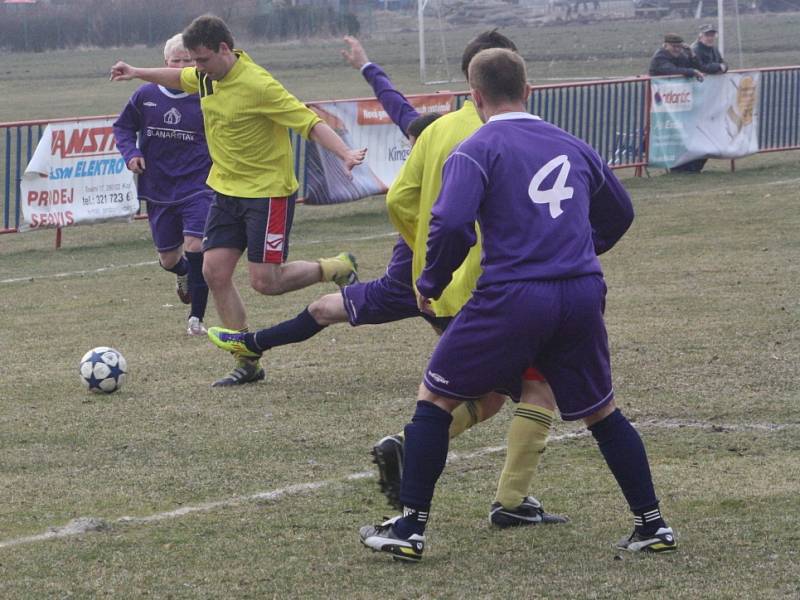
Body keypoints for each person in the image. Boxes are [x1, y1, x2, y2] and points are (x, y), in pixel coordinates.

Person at [208, 34, 566, 529]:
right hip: (487, 284)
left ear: (471, 83)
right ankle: (497, 497)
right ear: (519, 82)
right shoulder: (512, 136)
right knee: (525, 388)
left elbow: (398, 156)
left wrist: (423, 254)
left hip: (420, 277)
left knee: (344, 316)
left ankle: (255, 343)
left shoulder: (435, 128)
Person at [360, 48, 676, 562]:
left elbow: (453, 222)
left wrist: (432, 279)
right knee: (603, 412)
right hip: (579, 291)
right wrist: (577, 250)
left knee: (434, 400)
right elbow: (620, 212)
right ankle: (652, 525)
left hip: (513, 294)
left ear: (475, 96)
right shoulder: (572, 143)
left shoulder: (477, 147)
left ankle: (410, 527)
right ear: (528, 90)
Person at [110, 15, 366, 386]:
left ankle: (335, 267)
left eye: (201, 59)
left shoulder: (259, 85)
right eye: (193, 61)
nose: (195, 68)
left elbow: (308, 122)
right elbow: (177, 78)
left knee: (266, 282)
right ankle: (247, 360)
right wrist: (135, 72)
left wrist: (343, 153)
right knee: (214, 272)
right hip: (226, 192)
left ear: (224, 49)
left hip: (268, 194)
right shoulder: (205, 77)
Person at [113, 34, 212, 337]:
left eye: (188, 61)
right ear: (165, 62)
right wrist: (132, 154)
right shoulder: (145, 95)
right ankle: (182, 273)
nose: (182, 66)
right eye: (176, 61)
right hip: (158, 188)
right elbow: (123, 127)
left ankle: (196, 318)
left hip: (199, 185)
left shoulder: (206, 95)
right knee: (169, 258)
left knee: (196, 244)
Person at [649, 33, 707, 173]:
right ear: (666, 45)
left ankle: (691, 166)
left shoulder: (682, 55)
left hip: (682, 102)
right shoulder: (660, 57)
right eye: (673, 46)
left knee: (691, 133)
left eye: (679, 47)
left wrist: (692, 55)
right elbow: (670, 70)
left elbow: (699, 67)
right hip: (664, 105)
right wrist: (692, 71)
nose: (677, 49)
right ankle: (677, 167)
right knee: (674, 134)